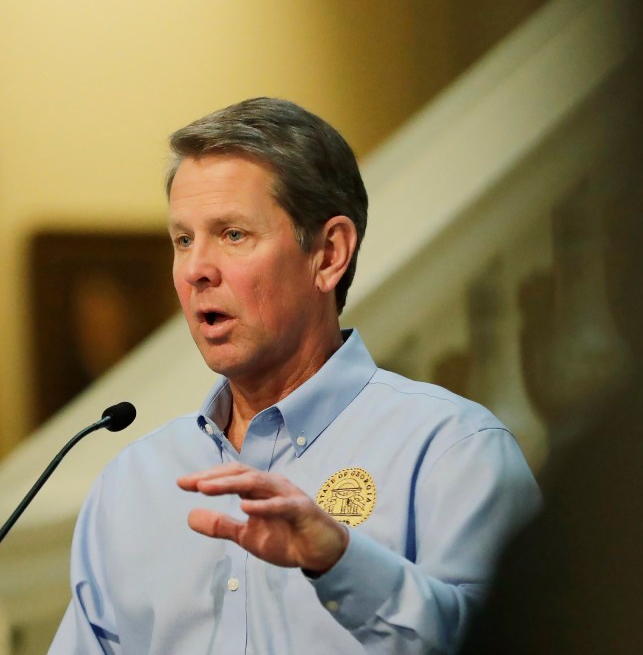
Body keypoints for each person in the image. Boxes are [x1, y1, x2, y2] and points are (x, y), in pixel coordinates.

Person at [50, 97, 540, 654]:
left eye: (232, 234)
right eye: (183, 240)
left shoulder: (452, 451)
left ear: (329, 254)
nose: (194, 270)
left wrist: (341, 562)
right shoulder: (133, 483)